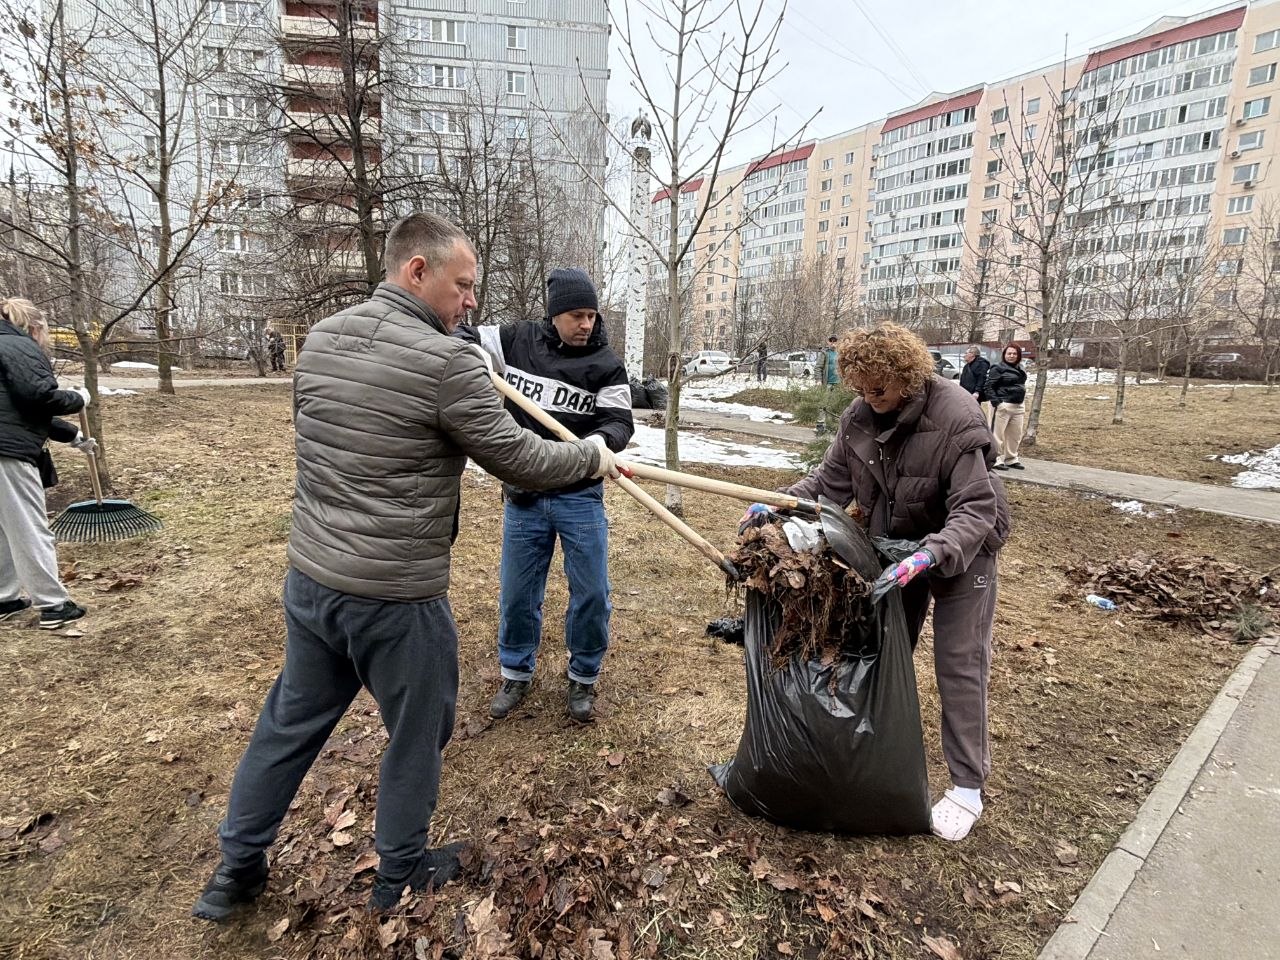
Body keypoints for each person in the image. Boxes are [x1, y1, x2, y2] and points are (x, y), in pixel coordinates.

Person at [192, 214, 623, 923]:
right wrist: (591, 455)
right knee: (419, 731)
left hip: (313, 579)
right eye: (463, 285)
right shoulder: (446, 364)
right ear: (417, 271)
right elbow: (519, 459)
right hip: (395, 595)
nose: (471, 302)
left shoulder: (322, 338)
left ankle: (235, 870)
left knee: (289, 721)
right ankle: (399, 873)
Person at [744, 323, 1009, 842]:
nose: (870, 397)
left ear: (906, 376)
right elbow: (828, 483)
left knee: (960, 662)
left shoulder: (955, 415)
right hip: (895, 549)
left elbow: (977, 507)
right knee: (883, 653)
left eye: (879, 388)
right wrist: (781, 503)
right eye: (860, 387)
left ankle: (967, 787)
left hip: (963, 548)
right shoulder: (859, 418)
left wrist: (932, 553)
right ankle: (876, 755)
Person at [460, 269, 634, 723]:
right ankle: (515, 672)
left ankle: (584, 676)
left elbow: (620, 422)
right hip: (526, 494)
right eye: (577, 315)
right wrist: (468, 351)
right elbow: (461, 333)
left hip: (580, 495)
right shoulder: (516, 340)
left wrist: (598, 445)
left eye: (592, 315)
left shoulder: (606, 364)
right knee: (518, 593)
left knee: (592, 593)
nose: (586, 325)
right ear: (554, 314)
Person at [0, 298, 94, 630]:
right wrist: (78, 399)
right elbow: (39, 398)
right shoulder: (18, 345)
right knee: (29, 528)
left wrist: (72, 435)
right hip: (7, 454)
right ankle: (53, 605)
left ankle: (5, 598)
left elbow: (16, 408)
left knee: (3, 528)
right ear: (35, 327)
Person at [987, 344, 1028, 470]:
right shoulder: (997, 368)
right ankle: (995, 459)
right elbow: (989, 386)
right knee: (996, 434)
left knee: (1015, 435)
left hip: (1018, 406)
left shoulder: (1020, 368)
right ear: (1004, 355)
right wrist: (997, 403)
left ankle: (1011, 458)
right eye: (1009, 353)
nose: (1011, 356)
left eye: (1015, 353)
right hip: (1002, 405)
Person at [959, 345, 991, 418]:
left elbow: (981, 378)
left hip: (975, 395)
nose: (964, 355)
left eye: (966, 353)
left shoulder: (981, 364)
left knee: (974, 413)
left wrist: (977, 392)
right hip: (966, 393)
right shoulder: (967, 366)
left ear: (972, 354)